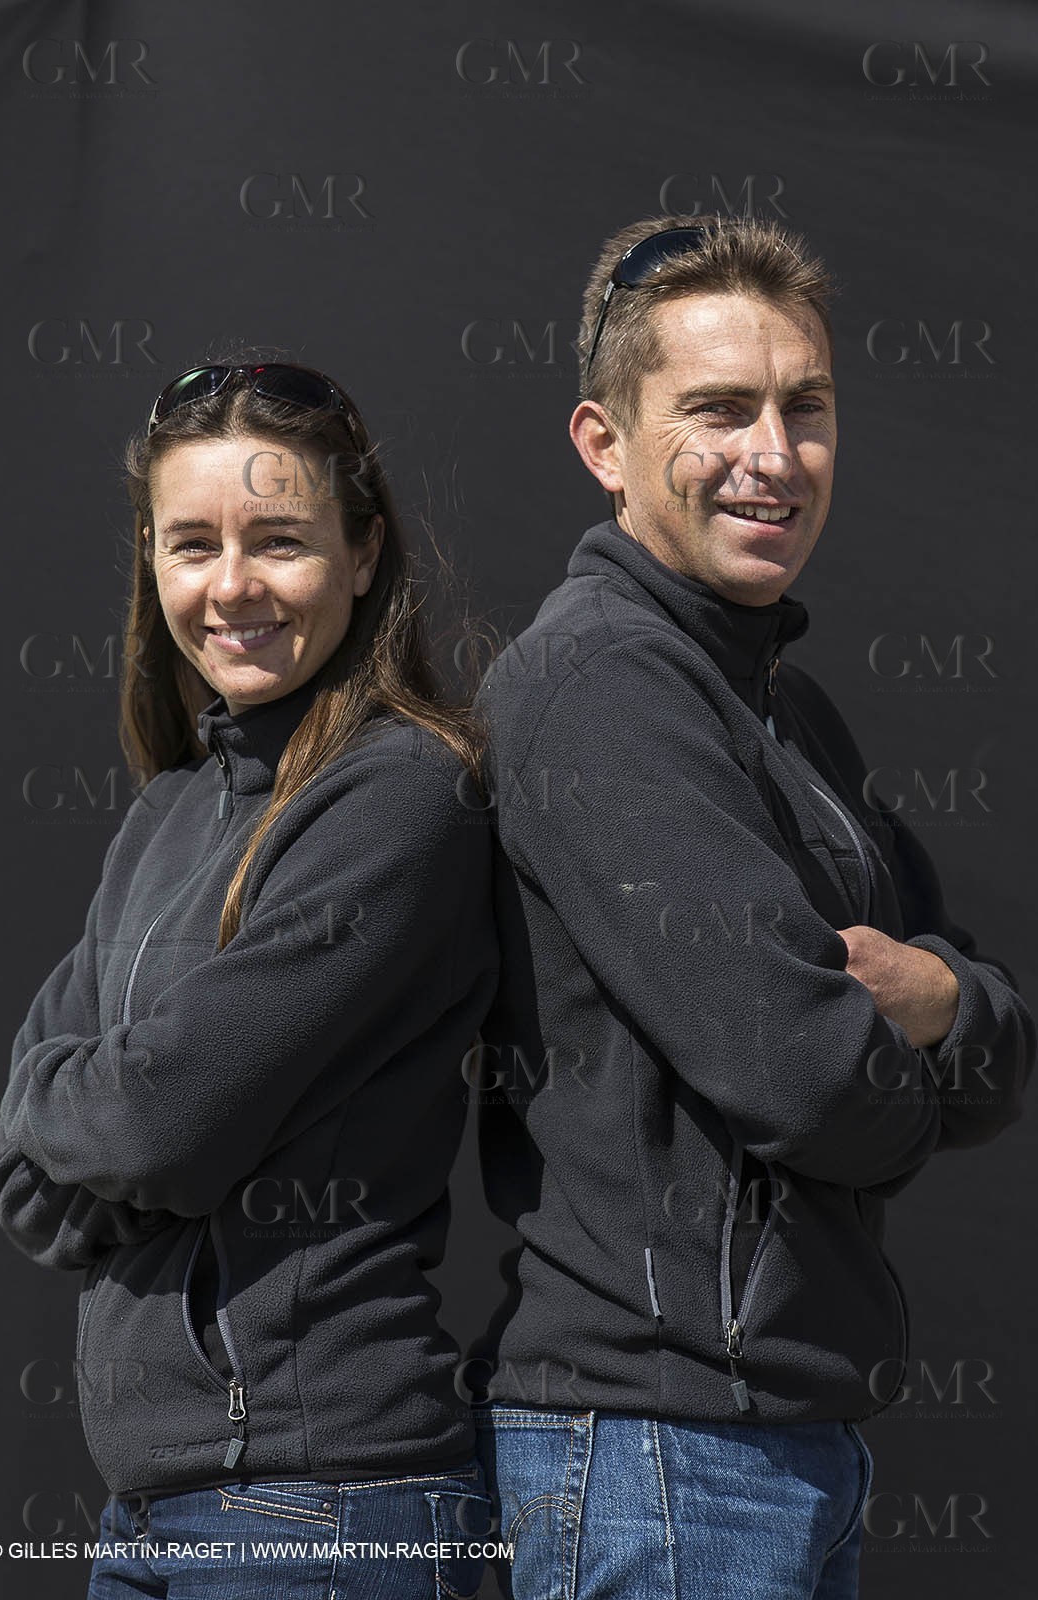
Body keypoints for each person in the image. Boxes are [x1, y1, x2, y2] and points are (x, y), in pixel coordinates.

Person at [469, 216, 1034, 1600]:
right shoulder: (600, 686)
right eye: (716, 410)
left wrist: (943, 1003)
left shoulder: (784, 708)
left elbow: (986, 1024)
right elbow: (803, 1074)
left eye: (804, 408)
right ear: (603, 446)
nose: (771, 455)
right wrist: (898, 1050)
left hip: (766, 1441)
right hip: (659, 1448)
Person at [0, 359, 498, 1599]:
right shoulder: (164, 814)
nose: (230, 587)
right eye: (191, 544)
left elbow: (161, 1118)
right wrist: (95, 1108)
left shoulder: (405, 795)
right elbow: (18, 1170)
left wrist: (97, 1109)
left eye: (279, 540)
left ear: (365, 553)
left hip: (324, 1495)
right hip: (151, 1501)